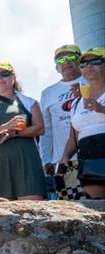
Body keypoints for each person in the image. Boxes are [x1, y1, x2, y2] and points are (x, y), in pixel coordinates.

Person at [0, 61, 45, 200]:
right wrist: (6, 126)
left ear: (13, 77)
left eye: (4, 74)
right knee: (1, 215)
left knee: (34, 210)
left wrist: (16, 133)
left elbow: (40, 128)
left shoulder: (29, 102)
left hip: (28, 162)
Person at [40, 45, 87, 199]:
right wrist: (46, 159)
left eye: (71, 57)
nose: (66, 62)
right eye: (61, 59)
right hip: (63, 162)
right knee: (71, 208)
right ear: (56, 67)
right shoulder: (48, 93)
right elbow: (46, 130)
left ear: (80, 60)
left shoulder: (94, 81)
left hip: (95, 155)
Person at [59, 47, 105, 199]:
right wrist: (65, 157)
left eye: (95, 61)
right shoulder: (77, 102)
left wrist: (101, 109)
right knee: (95, 208)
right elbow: (73, 137)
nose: (88, 66)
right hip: (89, 159)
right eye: (83, 64)